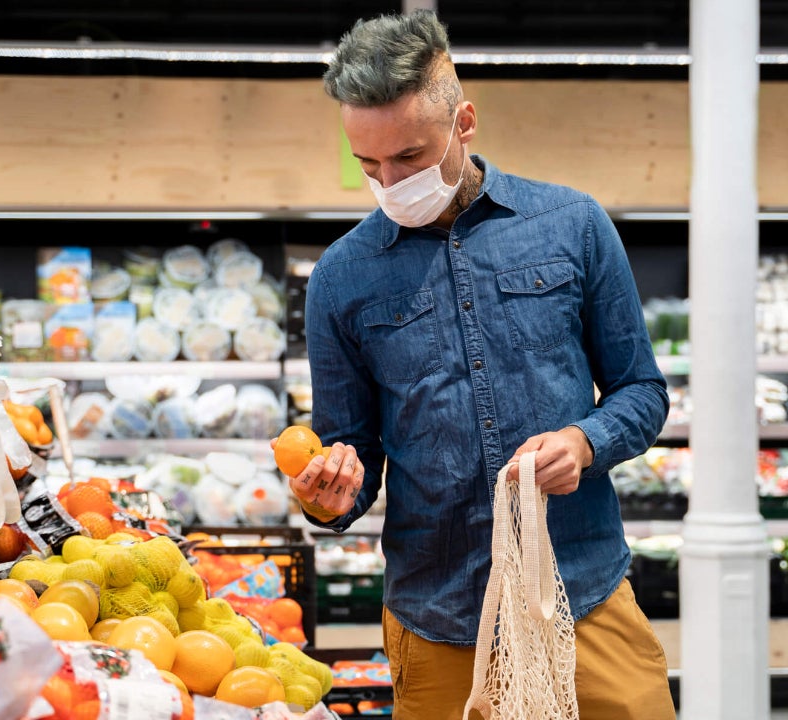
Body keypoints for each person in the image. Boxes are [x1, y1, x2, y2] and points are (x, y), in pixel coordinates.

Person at [286, 10, 674, 719]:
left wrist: (585, 443)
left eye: (407, 157)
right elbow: (353, 449)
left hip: (582, 594)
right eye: (365, 163)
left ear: (464, 122)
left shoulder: (574, 225)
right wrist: (329, 495)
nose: (387, 181)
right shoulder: (341, 277)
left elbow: (641, 390)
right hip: (438, 619)